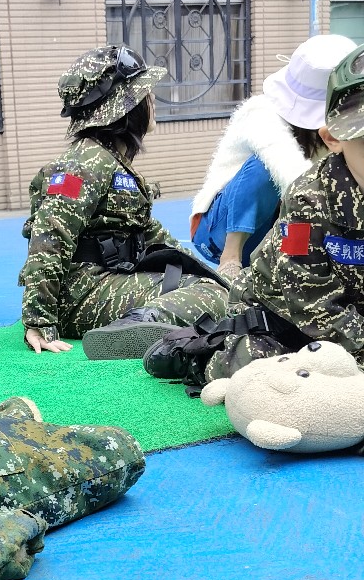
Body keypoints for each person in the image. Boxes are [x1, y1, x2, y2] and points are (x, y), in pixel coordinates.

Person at [142, 42, 364, 389]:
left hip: (346, 309)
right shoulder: (306, 195)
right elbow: (311, 304)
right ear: (333, 137)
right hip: (276, 302)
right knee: (275, 379)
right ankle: (195, 347)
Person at [19, 45, 229, 359]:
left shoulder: (109, 160)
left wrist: (210, 273)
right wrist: (39, 321)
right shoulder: (84, 163)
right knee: (209, 295)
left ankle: (143, 323)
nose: (151, 98)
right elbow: (50, 237)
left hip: (105, 283)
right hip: (79, 296)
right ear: (124, 107)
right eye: (144, 93)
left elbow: (152, 234)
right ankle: (137, 327)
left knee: (215, 287)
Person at [190, 33, 356, 279]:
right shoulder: (261, 113)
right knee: (265, 168)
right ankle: (230, 258)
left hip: (271, 233)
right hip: (216, 230)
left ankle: (292, 265)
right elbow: (290, 173)